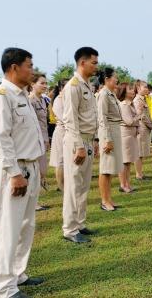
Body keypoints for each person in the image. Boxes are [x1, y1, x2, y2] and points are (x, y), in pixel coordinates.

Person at [0, 48, 46, 297]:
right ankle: (3, 287)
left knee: (25, 225)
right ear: (14, 67)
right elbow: (0, 139)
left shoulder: (21, 95)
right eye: (29, 65)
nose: (32, 70)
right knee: (8, 228)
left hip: (29, 167)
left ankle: (18, 273)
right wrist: (14, 173)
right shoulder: (1, 96)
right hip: (14, 169)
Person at [62, 47, 99, 243]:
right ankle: (70, 229)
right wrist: (79, 146)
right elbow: (70, 120)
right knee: (73, 186)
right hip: (77, 141)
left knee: (83, 185)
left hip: (88, 139)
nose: (96, 66)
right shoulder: (73, 86)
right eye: (94, 62)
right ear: (82, 62)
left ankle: (80, 223)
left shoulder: (87, 85)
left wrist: (94, 141)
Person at [97, 67, 123, 211]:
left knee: (111, 168)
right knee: (106, 168)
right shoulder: (103, 94)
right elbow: (102, 118)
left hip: (114, 129)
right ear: (106, 79)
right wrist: (107, 138)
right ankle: (104, 201)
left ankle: (109, 199)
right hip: (108, 132)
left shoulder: (110, 94)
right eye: (115, 77)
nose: (117, 79)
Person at [29, 73, 51, 211]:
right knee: (35, 172)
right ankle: (33, 203)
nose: (45, 86)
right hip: (34, 140)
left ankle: (35, 200)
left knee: (41, 171)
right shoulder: (30, 100)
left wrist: (47, 138)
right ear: (32, 84)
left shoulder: (43, 100)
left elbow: (44, 122)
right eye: (41, 83)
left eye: (45, 83)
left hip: (43, 138)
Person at [117, 82, 140, 192]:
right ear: (124, 92)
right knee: (124, 162)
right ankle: (123, 185)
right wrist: (139, 118)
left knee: (128, 161)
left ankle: (127, 184)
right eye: (130, 89)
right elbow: (129, 121)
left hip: (131, 136)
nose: (132, 91)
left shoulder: (130, 104)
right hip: (125, 136)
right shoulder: (124, 105)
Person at [134, 80, 152, 181]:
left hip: (145, 128)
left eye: (147, 87)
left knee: (142, 153)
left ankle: (140, 173)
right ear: (138, 88)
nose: (147, 89)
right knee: (139, 153)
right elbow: (141, 116)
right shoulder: (138, 100)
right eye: (145, 87)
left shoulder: (144, 99)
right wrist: (151, 125)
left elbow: (147, 114)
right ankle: (138, 175)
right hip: (141, 128)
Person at [49, 79, 68, 192]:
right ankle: (61, 186)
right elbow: (64, 119)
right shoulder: (58, 100)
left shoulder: (67, 99)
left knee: (67, 160)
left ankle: (66, 184)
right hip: (61, 132)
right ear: (61, 88)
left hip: (68, 132)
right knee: (60, 161)